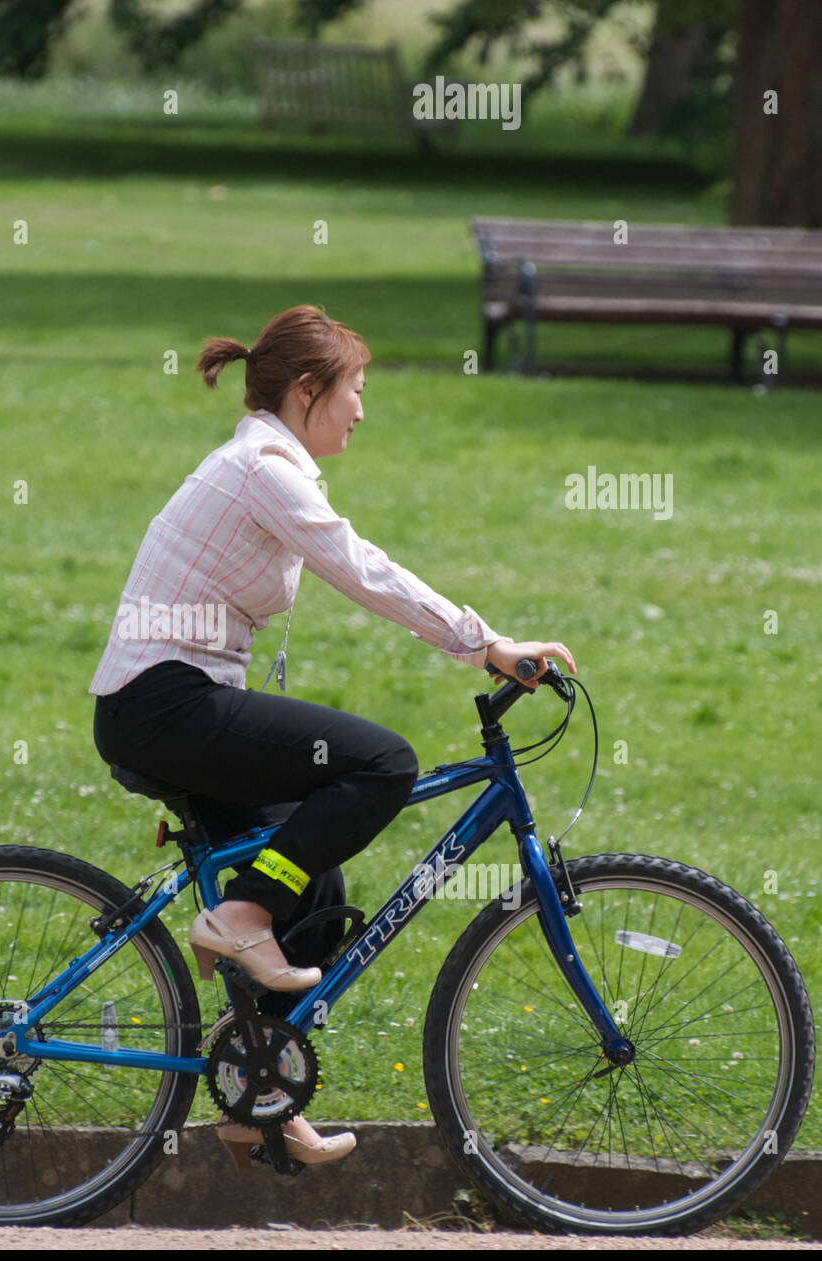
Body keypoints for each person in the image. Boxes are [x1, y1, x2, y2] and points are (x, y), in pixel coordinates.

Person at [89, 304, 575, 1169]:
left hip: (168, 704)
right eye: (354, 389)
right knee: (382, 763)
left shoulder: (262, 460)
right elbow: (361, 568)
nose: (362, 409)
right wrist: (486, 643)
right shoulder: (266, 468)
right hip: (163, 705)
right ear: (307, 391)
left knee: (317, 872)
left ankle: (258, 1091)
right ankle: (239, 917)